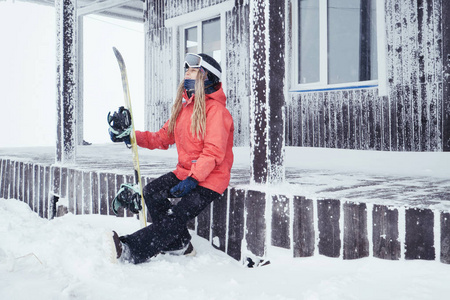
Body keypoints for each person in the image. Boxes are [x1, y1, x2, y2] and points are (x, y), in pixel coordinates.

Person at [107, 53, 234, 264]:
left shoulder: (217, 112)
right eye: (186, 70)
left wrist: (194, 179)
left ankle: (132, 249)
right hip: (185, 172)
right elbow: (160, 138)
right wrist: (129, 135)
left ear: (207, 77)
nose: (187, 74)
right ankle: (179, 244)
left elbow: (213, 152)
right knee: (151, 192)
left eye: (193, 71)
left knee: (177, 215)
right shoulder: (184, 110)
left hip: (211, 178)